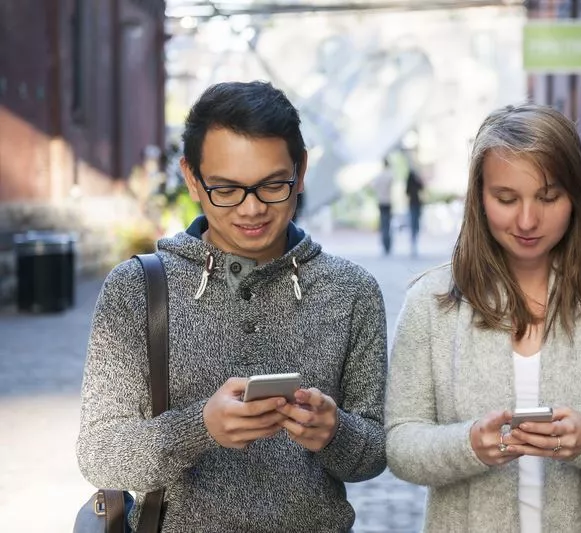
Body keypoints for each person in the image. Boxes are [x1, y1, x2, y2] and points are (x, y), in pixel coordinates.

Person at [77, 80, 388, 532]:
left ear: (300, 171)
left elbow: (375, 453)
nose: (251, 209)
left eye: (271, 185)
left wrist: (334, 432)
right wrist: (199, 428)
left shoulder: (352, 291)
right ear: (191, 178)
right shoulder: (135, 290)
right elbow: (99, 455)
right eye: (226, 189)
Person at [385, 103, 581, 532]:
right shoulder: (431, 302)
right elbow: (400, 444)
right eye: (506, 198)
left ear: (576, 197)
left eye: (549, 197)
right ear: (479, 198)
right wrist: (470, 445)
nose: (527, 220)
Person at [371, 158, 394, 255]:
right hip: (388, 201)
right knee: (388, 225)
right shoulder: (390, 175)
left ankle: (384, 245)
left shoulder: (379, 176)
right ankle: (388, 245)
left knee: (383, 224)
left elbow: (373, 185)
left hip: (380, 201)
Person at [405, 162, 423, 257]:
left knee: (415, 222)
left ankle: (414, 237)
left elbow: (422, 187)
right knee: (414, 221)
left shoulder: (417, 178)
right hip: (414, 203)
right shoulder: (412, 177)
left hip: (416, 203)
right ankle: (413, 239)